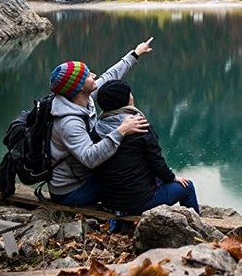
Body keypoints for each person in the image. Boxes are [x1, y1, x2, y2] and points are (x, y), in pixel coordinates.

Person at [48, 38, 154, 206]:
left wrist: (135, 53)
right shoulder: (68, 123)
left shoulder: (84, 97)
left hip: (83, 175)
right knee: (131, 181)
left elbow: (110, 75)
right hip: (71, 190)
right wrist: (121, 130)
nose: (94, 75)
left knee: (132, 173)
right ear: (79, 86)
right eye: (88, 75)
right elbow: (90, 158)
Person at [91, 79, 200, 215]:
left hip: (109, 201)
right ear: (125, 100)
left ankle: (118, 220)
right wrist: (172, 178)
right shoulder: (139, 126)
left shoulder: (98, 127)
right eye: (129, 93)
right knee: (187, 187)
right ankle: (198, 228)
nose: (132, 95)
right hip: (137, 202)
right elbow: (156, 161)